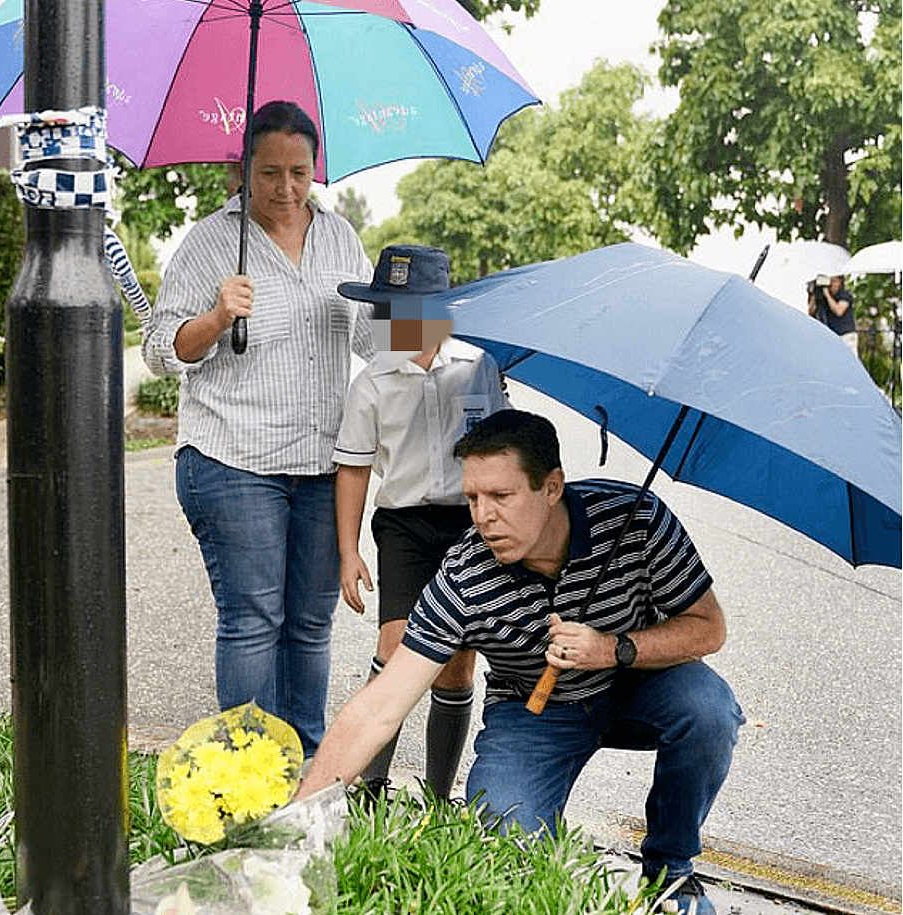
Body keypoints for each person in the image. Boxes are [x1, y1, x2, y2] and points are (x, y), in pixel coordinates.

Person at [296, 409, 744, 915]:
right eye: (472, 498)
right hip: (532, 711)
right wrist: (297, 817)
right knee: (506, 850)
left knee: (710, 709)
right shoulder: (466, 575)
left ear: (551, 487)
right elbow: (379, 707)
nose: (483, 517)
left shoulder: (634, 517)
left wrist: (614, 647)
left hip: (637, 684)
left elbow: (710, 627)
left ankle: (671, 872)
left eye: (501, 497)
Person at [143, 100, 374, 757]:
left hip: (323, 462)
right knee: (253, 618)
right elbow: (161, 348)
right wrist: (216, 317)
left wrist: (411, 307)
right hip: (231, 455)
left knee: (309, 622)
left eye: (299, 172)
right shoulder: (211, 241)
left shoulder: (340, 239)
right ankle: (252, 768)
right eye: (269, 172)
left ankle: (305, 766)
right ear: (244, 167)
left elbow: (377, 338)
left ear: (314, 168)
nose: (285, 188)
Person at [333, 244, 510, 798]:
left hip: (469, 523)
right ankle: (370, 786)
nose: (399, 324)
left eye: (412, 313)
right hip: (404, 525)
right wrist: (349, 551)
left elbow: (505, 448)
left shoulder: (478, 367)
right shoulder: (371, 383)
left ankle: (438, 796)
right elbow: (354, 470)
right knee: (397, 649)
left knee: (457, 662)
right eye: (388, 313)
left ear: (443, 311)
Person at [808, 274, 858, 356]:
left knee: (849, 363)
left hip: (846, 336)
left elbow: (839, 311)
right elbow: (811, 312)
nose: (832, 284)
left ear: (840, 282)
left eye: (835, 281)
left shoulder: (845, 294)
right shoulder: (824, 298)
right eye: (830, 281)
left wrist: (827, 294)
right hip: (833, 336)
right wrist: (814, 294)